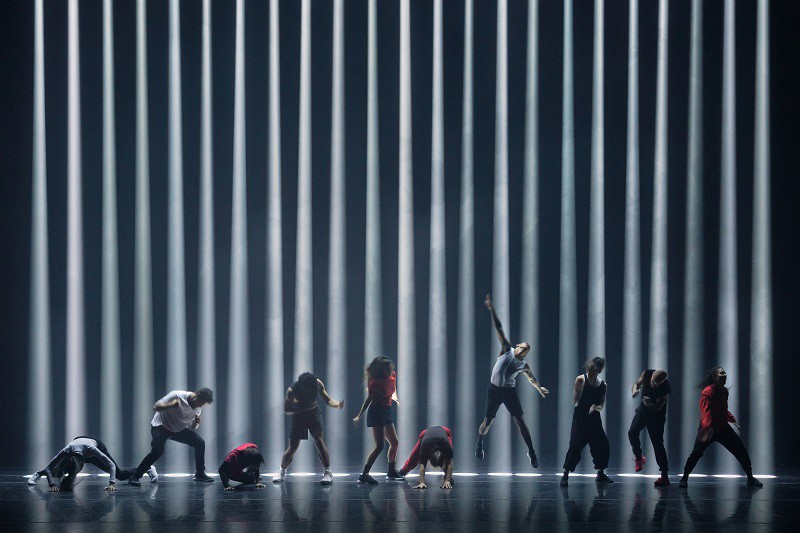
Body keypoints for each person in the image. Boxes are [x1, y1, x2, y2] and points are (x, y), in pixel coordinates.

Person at [475, 294, 549, 467]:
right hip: (494, 390)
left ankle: (531, 452)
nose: (526, 346)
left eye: (528, 348)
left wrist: (539, 388)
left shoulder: (523, 364)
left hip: (509, 392)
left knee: (520, 421)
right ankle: (479, 442)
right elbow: (499, 327)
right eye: (524, 344)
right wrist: (492, 310)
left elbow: (532, 379)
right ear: (519, 346)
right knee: (487, 422)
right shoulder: (507, 349)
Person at [678, 367, 762, 488]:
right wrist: (708, 428)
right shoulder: (707, 391)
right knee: (696, 453)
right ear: (715, 377)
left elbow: (723, 410)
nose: (725, 375)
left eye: (725, 373)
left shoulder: (724, 391)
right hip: (708, 429)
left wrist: (733, 420)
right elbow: (706, 412)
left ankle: (750, 478)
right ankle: (684, 478)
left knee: (741, 451)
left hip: (723, 428)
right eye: (722, 373)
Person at [128, 387, 215, 486]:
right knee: (157, 451)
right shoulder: (177, 395)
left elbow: (193, 426)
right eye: (200, 402)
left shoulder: (198, 407)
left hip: (177, 430)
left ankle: (200, 474)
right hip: (160, 427)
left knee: (199, 442)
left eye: (203, 404)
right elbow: (156, 407)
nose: (200, 405)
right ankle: (135, 476)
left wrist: (196, 422)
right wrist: (170, 405)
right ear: (195, 396)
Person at [272, 372, 344, 485]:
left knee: (319, 441)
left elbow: (327, 400)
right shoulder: (292, 390)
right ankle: (281, 471)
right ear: (302, 386)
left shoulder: (317, 383)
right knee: (292, 447)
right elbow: (286, 410)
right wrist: (303, 409)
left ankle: (328, 472)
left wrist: (337, 404)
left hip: (313, 413)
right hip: (299, 415)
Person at [28, 436, 155, 491]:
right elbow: (48, 468)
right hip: (77, 443)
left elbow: (111, 464)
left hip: (95, 444)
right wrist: (52, 485)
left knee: (120, 475)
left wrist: (111, 484)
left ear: (82, 463)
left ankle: (147, 468)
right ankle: (37, 474)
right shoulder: (66, 451)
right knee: (56, 470)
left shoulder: (93, 450)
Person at [561, 357, 612, 486]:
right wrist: (581, 404)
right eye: (594, 368)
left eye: (598, 369)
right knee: (575, 445)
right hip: (581, 418)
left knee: (602, 445)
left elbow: (601, 405)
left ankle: (600, 474)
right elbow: (575, 401)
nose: (596, 371)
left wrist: (594, 407)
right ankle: (565, 474)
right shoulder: (581, 379)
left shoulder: (603, 385)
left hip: (594, 419)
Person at [353, 356, 402, 483]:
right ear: (380, 369)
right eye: (387, 368)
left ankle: (391, 472)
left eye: (390, 367)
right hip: (377, 411)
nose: (390, 369)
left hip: (386, 411)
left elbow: (392, 387)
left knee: (394, 443)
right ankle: (364, 474)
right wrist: (359, 415)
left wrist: (395, 398)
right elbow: (369, 399)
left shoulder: (392, 374)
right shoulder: (375, 382)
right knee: (380, 446)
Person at [628, 368, 671, 486]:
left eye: (658, 383)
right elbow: (636, 384)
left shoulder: (666, 388)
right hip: (643, 412)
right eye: (654, 381)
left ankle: (664, 476)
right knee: (632, 432)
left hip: (657, 417)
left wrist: (647, 402)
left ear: (663, 381)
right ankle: (639, 458)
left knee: (658, 444)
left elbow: (657, 407)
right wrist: (635, 390)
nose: (655, 385)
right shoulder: (647, 374)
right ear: (652, 376)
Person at [398, 426, 454, 490]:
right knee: (414, 458)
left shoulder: (445, 443)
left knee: (447, 459)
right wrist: (422, 482)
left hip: (445, 432)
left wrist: (447, 480)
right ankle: (402, 472)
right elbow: (422, 466)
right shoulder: (425, 445)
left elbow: (450, 463)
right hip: (425, 434)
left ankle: (448, 476)